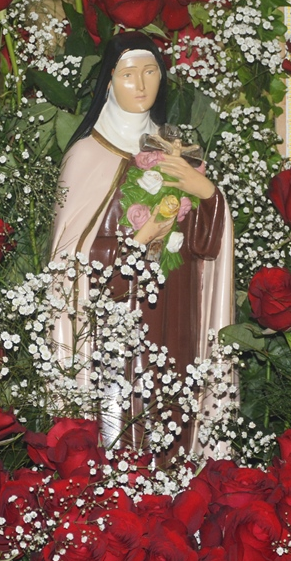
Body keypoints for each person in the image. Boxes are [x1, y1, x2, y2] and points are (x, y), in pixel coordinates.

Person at [48, 31, 234, 455]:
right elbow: (69, 259)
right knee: (121, 420)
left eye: (150, 72)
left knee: (173, 411)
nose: (141, 84)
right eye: (129, 74)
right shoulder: (85, 156)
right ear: (109, 82)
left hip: (176, 305)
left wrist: (207, 194)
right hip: (114, 319)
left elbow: (206, 248)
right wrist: (140, 240)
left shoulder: (176, 152)